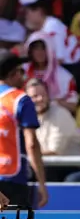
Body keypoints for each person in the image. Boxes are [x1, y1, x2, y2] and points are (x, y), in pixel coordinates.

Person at [0, 50, 48, 209]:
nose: (24, 76)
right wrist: (42, 183)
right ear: (13, 73)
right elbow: (31, 144)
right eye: (21, 71)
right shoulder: (21, 99)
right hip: (12, 177)